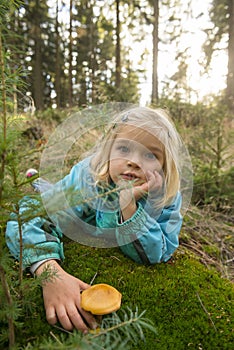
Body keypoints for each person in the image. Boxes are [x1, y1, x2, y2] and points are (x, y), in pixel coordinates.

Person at [6, 106, 185, 333]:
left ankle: (41, 183)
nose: (134, 161)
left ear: (164, 165)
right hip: (75, 201)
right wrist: (48, 270)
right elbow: (27, 216)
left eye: (150, 155)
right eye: (123, 148)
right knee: (46, 197)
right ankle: (39, 183)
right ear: (108, 152)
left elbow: (155, 252)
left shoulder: (166, 197)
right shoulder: (87, 179)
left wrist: (128, 206)